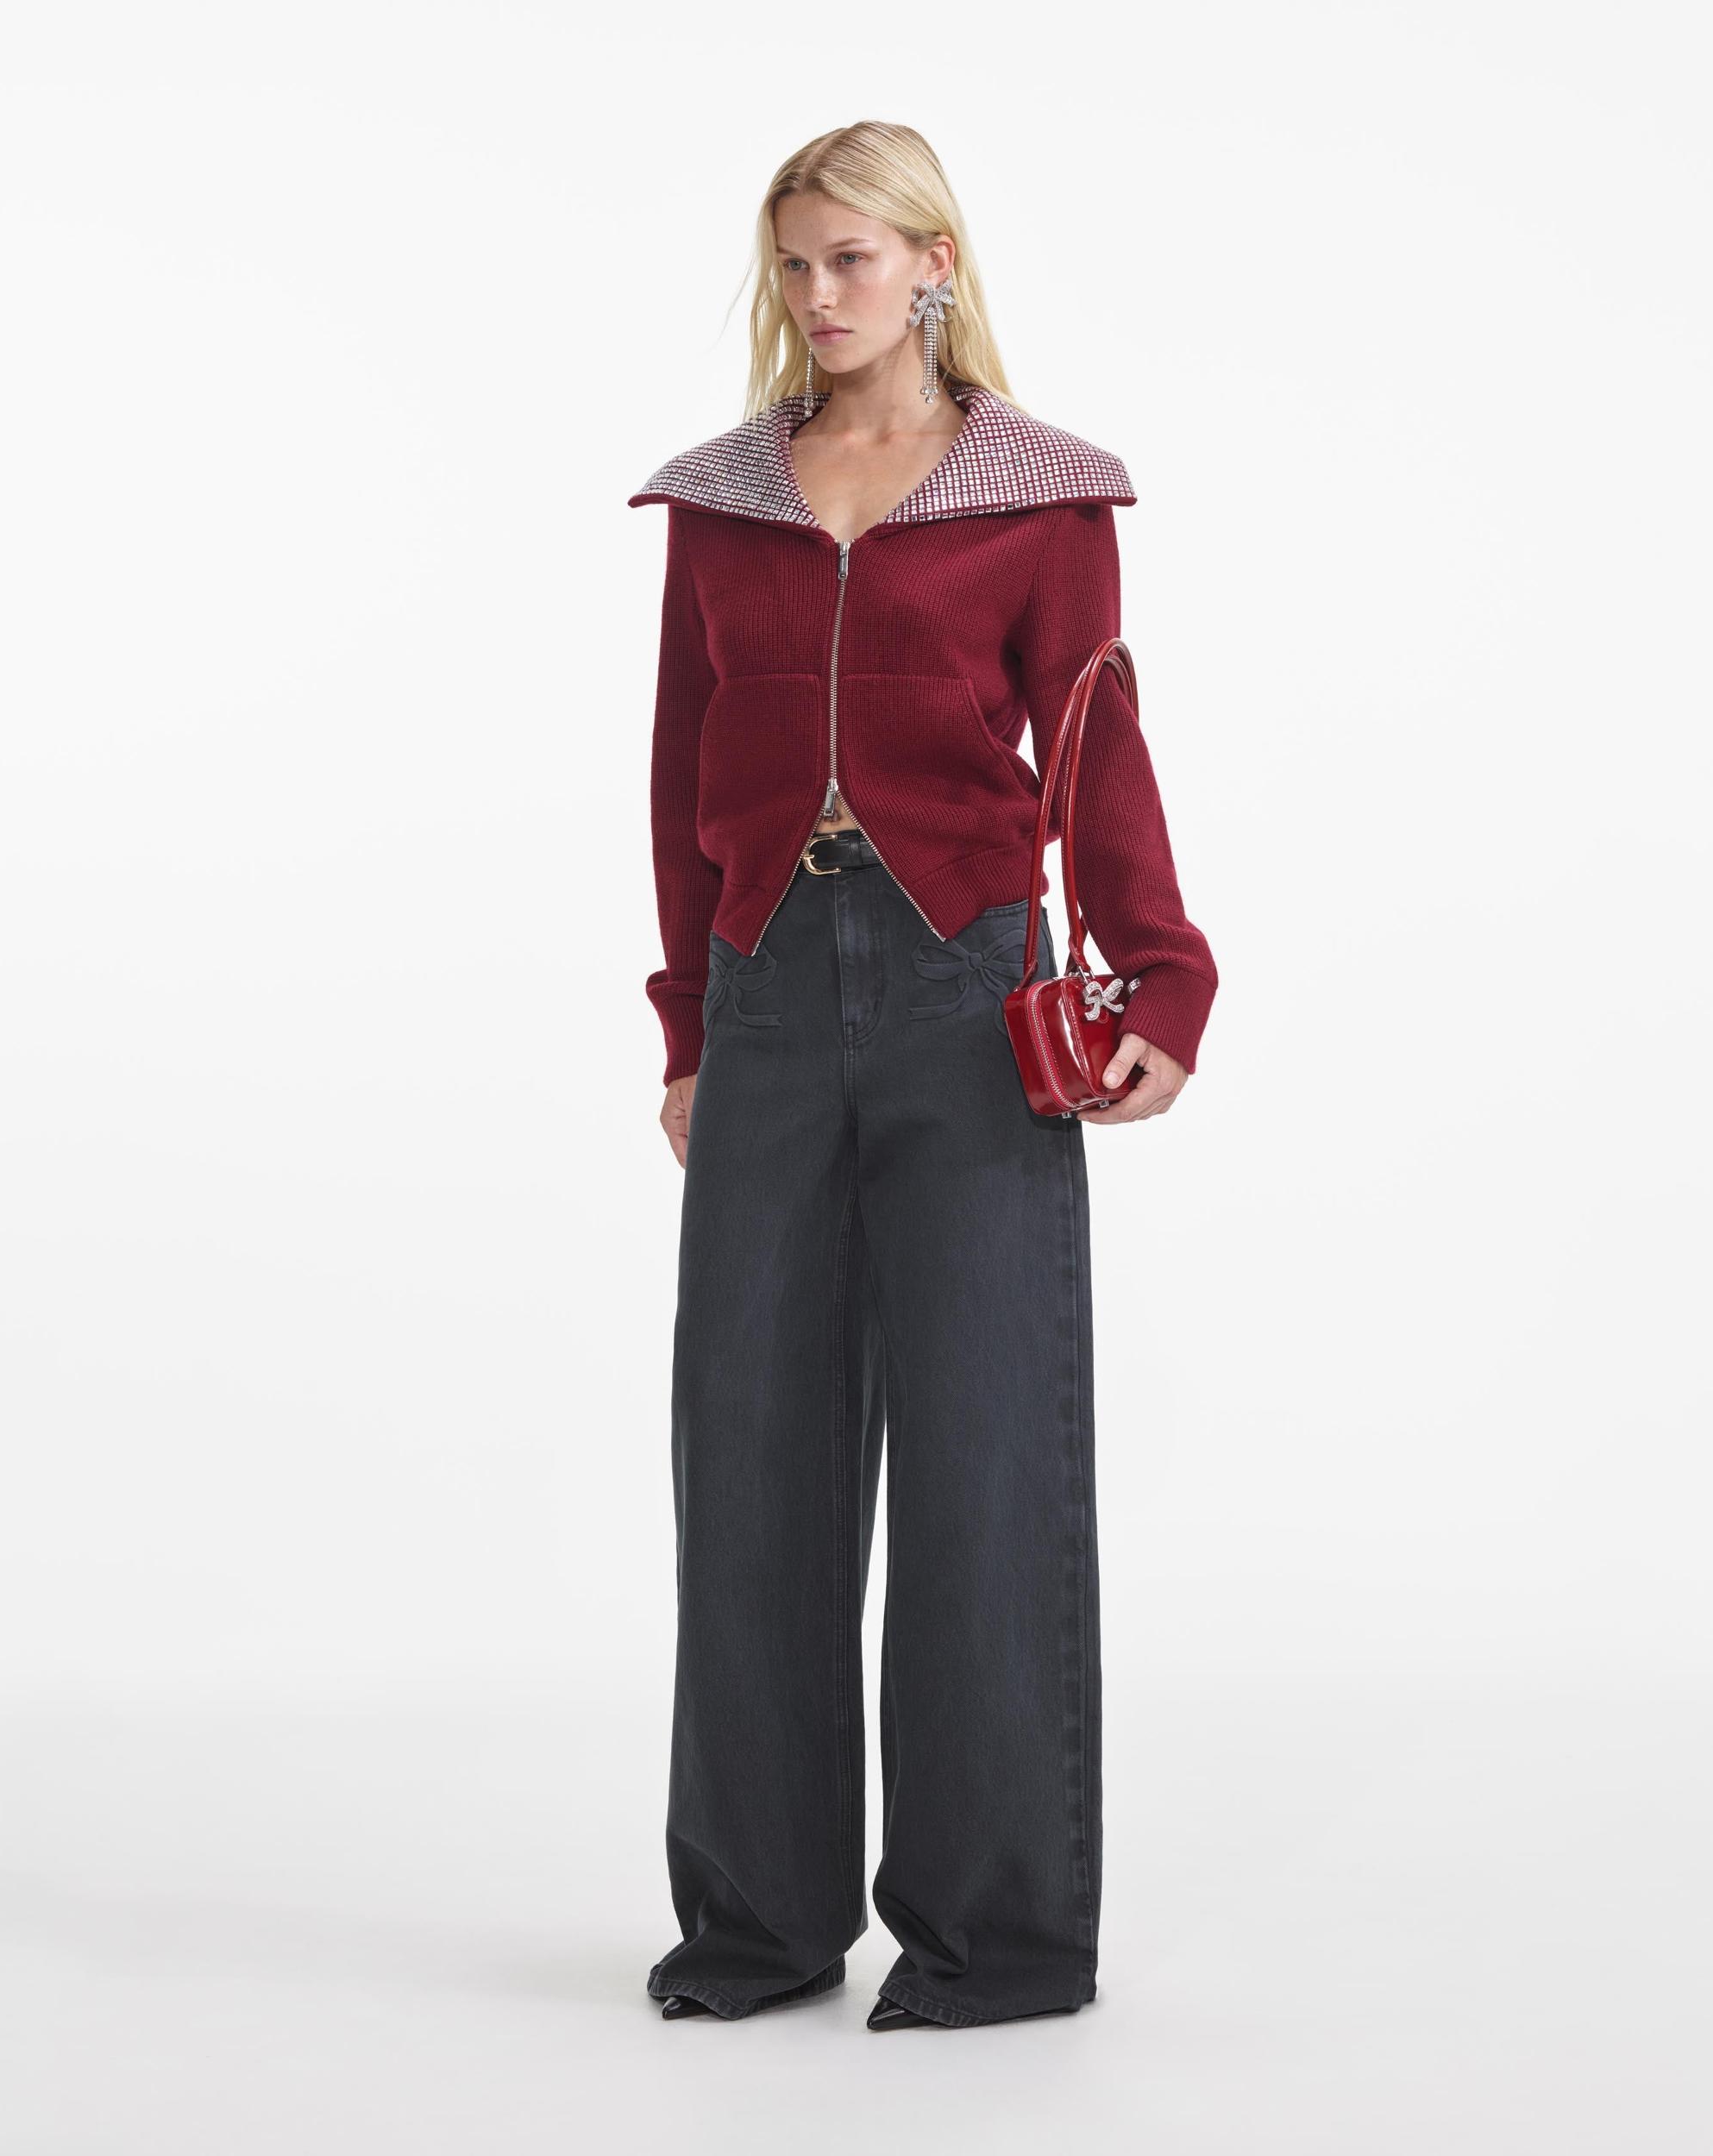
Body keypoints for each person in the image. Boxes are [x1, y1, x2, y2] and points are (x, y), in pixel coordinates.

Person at [628, 121, 1220, 2031]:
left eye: (853, 260)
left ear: (933, 266)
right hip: (768, 994)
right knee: (751, 1469)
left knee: (986, 1467)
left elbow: (1095, 740)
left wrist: (1162, 972)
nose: (818, 296)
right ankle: (758, 1921)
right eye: (794, 263)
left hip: (971, 992)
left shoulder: (1041, 497)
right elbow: (681, 772)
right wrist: (690, 1028)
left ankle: (997, 1936)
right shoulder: (721, 502)